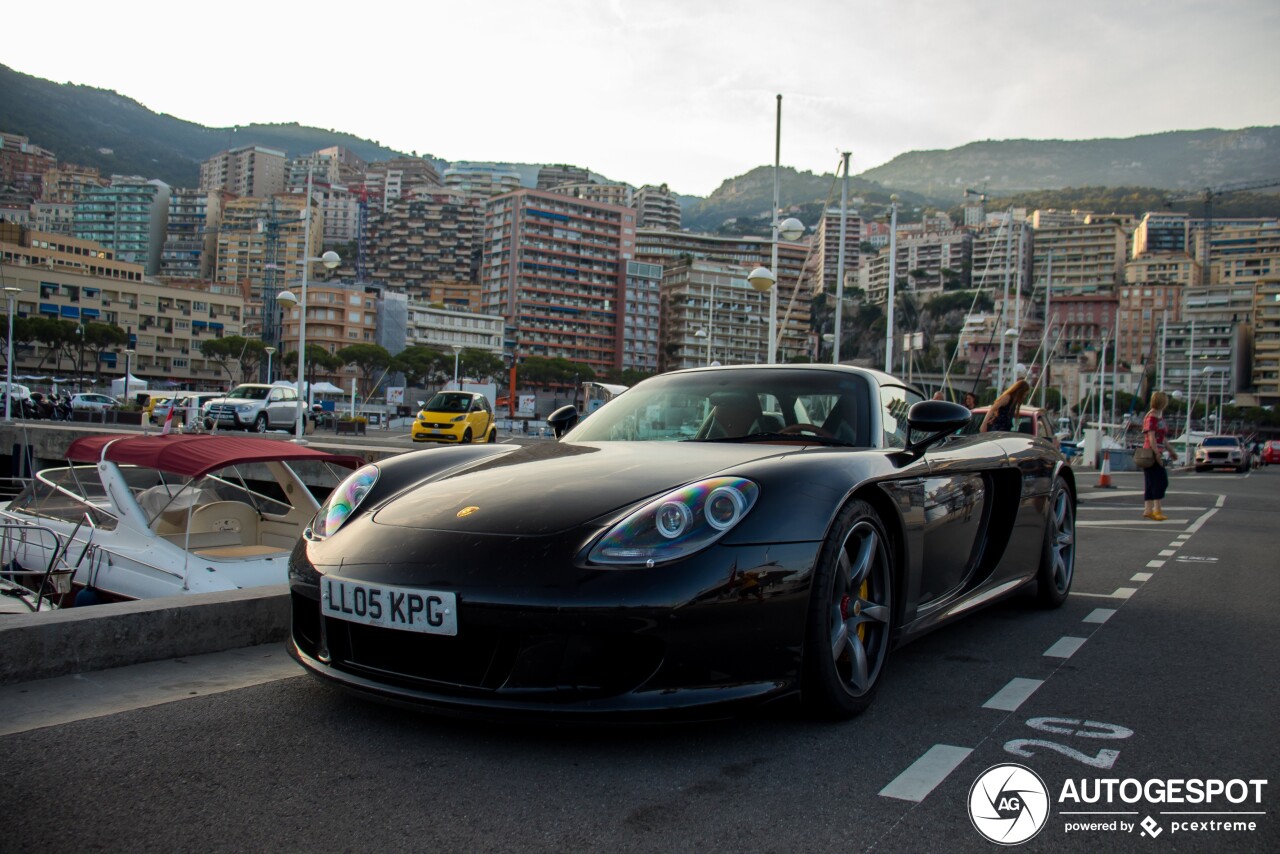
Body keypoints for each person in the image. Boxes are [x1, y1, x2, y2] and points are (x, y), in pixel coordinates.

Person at [1142, 391, 1170, 521]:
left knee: (1150, 482)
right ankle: (1157, 509)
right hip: (1151, 453)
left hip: (1154, 451)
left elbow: (1162, 438)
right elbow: (1151, 437)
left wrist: (1171, 450)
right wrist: (1157, 454)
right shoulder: (1152, 416)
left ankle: (1148, 509)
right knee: (1160, 481)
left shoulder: (1158, 416)